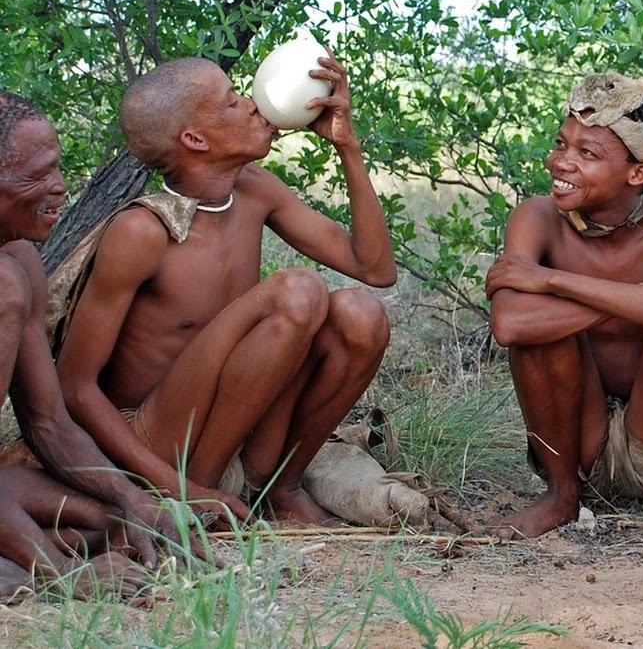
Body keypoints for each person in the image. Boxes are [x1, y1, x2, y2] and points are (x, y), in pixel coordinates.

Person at [53, 52, 396, 528]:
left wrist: (347, 145)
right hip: (158, 446)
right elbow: (75, 387)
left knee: (361, 314)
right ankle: (204, 496)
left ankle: (280, 489)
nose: (254, 104)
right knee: (297, 289)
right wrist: (182, 489)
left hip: (239, 429)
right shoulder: (142, 232)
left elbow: (375, 268)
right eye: (233, 101)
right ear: (195, 139)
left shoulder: (255, 190)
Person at [485, 72, 643, 539]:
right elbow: (510, 324)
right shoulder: (538, 218)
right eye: (561, 144)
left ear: (637, 173)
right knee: (541, 334)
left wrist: (551, 280)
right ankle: (561, 495)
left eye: (588, 153)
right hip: (578, 438)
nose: (562, 162)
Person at [0, 90, 200, 602]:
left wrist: (136, 500)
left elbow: (47, 422)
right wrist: (64, 575)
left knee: (112, 521)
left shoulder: (20, 260)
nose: (60, 186)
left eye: (57, 167)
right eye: (38, 175)